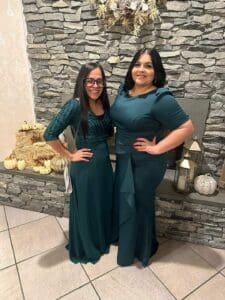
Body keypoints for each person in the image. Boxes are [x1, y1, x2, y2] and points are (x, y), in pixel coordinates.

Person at [110, 48, 194, 267]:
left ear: (156, 71)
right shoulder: (124, 90)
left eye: (148, 65)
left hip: (145, 163)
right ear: (131, 68)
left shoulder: (160, 98)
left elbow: (186, 127)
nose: (141, 70)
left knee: (138, 204)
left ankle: (140, 249)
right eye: (137, 64)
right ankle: (127, 239)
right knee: (126, 202)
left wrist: (158, 149)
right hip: (123, 158)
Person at [44, 62, 114, 264]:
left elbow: (108, 131)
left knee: (100, 206)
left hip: (103, 167)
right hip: (85, 168)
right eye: (90, 80)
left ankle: (100, 241)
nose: (95, 85)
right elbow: (49, 134)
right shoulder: (74, 105)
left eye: (99, 81)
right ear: (82, 82)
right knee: (87, 208)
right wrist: (70, 155)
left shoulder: (103, 103)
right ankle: (85, 246)